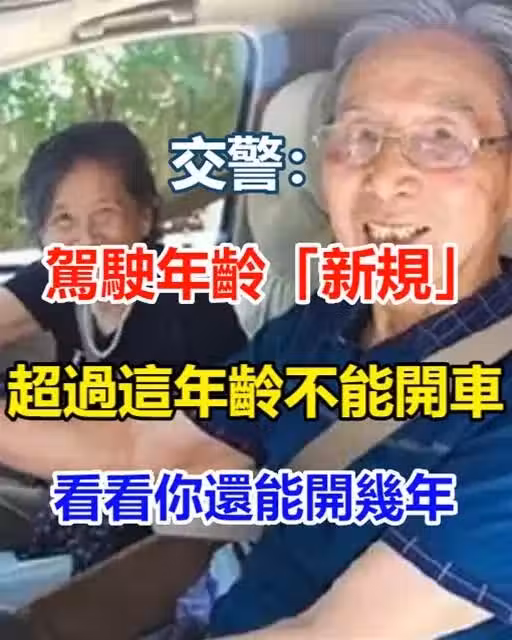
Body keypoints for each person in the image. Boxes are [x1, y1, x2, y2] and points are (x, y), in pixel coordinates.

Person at [1, 0, 512, 638]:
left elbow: (325, 634)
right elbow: (164, 457)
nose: (385, 178)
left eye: (442, 138)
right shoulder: (318, 327)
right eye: (359, 136)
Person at [0, 120, 247, 572]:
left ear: (144, 218)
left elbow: (150, 455)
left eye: (105, 215)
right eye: (63, 220)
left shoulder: (185, 305)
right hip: (84, 501)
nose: (86, 239)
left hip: (175, 526)